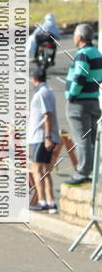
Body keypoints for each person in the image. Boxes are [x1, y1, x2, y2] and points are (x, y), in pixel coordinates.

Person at [64, 22, 102, 185]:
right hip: (93, 99)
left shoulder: (83, 54)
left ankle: (83, 172)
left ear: (79, 37)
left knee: (82, 139)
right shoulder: (96, 53)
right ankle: (92, 170)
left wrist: (71, 95)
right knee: (91, 139)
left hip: (79, 103)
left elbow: (79, 76)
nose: (73, 38)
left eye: (74, 35)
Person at [28, 65, 60, 214]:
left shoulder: (42, 93)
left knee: (38, 170)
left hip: (40, 137)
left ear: (34, 79)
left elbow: (47, 115)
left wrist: (47, 137)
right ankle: (50, 202)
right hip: (43, 136)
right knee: (45, 170)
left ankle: (42, 201)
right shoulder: (48, 92)